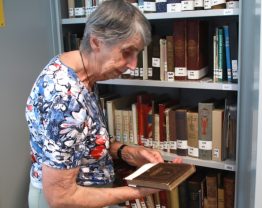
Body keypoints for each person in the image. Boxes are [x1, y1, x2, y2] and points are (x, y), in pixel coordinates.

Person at [25, 0, 181, 207]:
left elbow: (84, 143)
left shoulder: (79, 70)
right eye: (127, 52)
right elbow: (61, 198)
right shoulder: (66, 98)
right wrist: (137, 191)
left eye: (137, 54)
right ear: (96, 42)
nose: (134, 66)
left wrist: (126, 152)